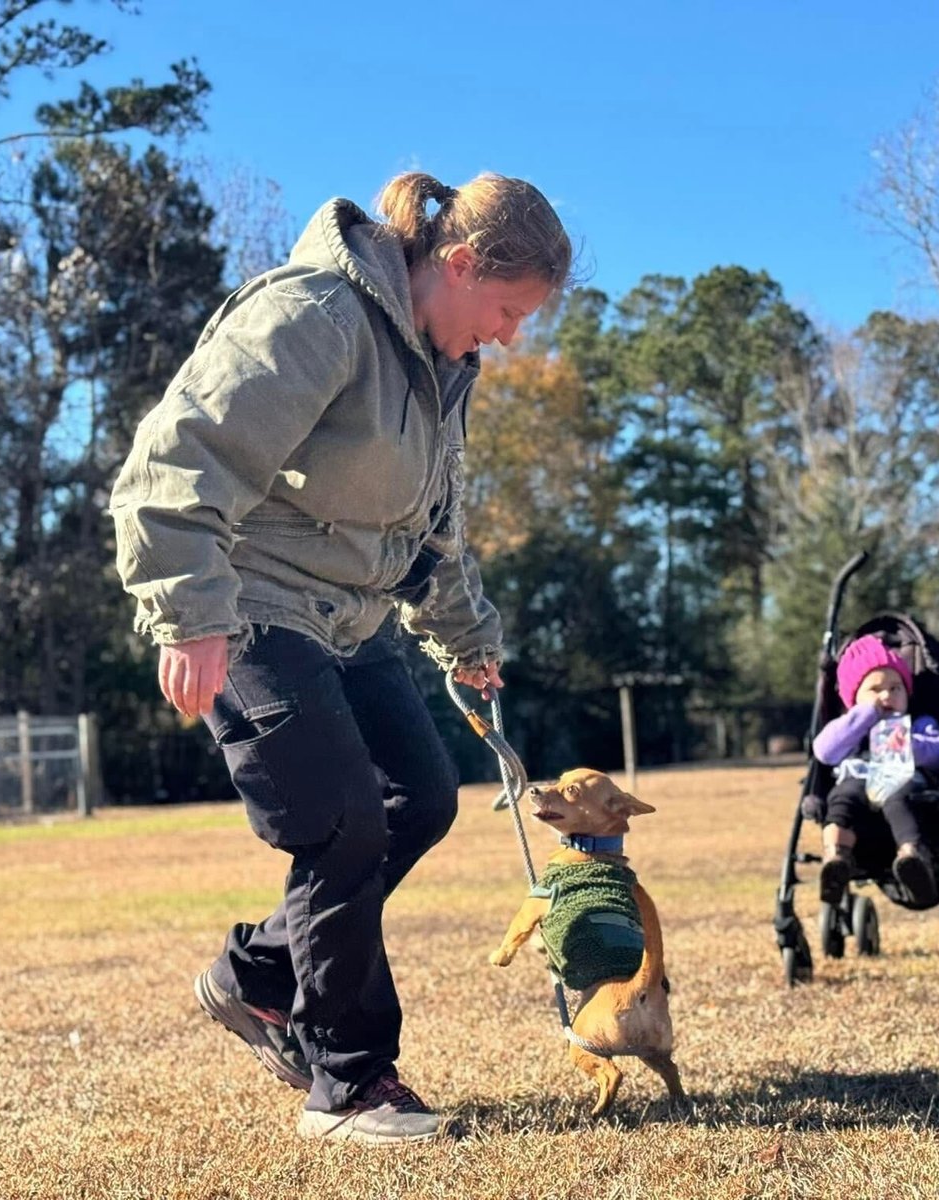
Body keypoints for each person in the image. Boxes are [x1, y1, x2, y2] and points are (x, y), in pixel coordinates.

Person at [111, 171, 571, 1144]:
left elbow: (432, 529)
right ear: (457, 264)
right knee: (341, 824)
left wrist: (468, 642)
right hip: (249, 604)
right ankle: (351, 1082)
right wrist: (190, 613)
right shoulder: (317, 313)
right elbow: (173, 458)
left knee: (422, 795)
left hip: (351, 620)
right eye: (507, 310)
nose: (510, 336)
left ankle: (259, 976)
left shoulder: (444, 368)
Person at [811, 634, 939, 908]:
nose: (887, 695)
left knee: (898, 797)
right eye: (875, 690)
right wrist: (863, 716)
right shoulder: (849, 729)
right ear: (854, 699)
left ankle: (913, 858)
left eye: (896, 688)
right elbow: (824, 752)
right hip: (858, 785)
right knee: (842, 798)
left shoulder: (919, 723)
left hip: (901, 782)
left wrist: (909, 744)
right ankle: (836, 858)